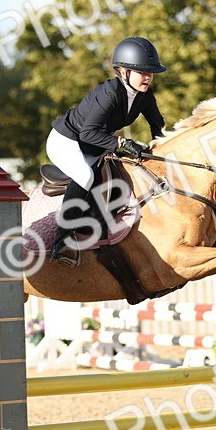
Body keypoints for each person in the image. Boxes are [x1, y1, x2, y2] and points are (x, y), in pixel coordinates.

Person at [46, 36, 168, 266]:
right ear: (124, 72)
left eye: (151, 72)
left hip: (94, 145)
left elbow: (157, 126)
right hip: (67, 141)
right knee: (86, 175)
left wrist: (161, 153)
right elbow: (87, 133)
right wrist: (121, 144)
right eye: (143, 72)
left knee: (116, 172)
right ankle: (61, 240)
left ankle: (96, 224)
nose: (148, 77)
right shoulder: (110, 92)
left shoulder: (145, 96)